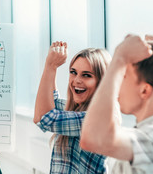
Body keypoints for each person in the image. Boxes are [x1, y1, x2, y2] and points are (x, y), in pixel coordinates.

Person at [80, 34, 153, 173]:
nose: (118, 84)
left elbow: (94, 138)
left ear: (145, 90)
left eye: (124, 76)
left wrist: (120, 58)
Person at [33, 41, 111, 173]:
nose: (76, 80)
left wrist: (50, 66)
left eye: (86, 75)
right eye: (73, 72)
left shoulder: (98, 118)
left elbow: (43, 118)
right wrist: (53, 66)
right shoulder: (79, 110)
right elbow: (52, 103)